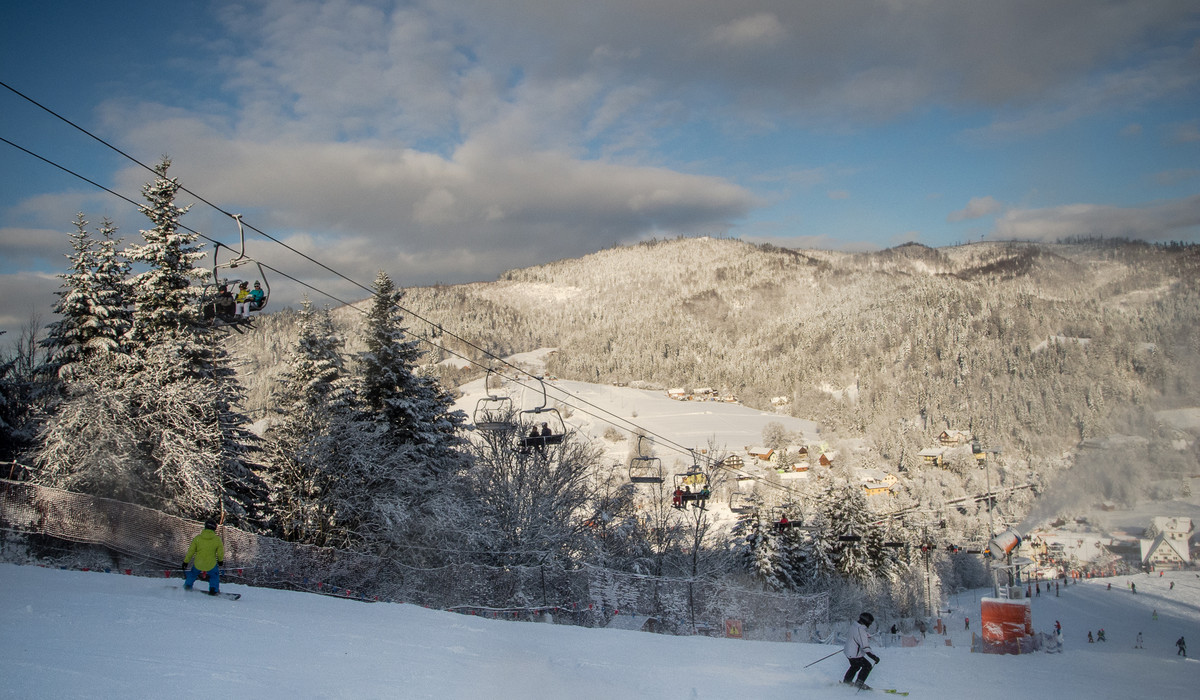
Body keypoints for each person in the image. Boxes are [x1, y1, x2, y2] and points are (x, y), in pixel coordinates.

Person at [183, 518, 225, 595]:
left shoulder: (197, 538)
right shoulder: (217, 539)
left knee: (192, 574)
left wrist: (186, 562)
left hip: (198, 563)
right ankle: (213, 589)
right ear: (214, 528)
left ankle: (187, 586)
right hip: (211, 564)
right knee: (214, 576)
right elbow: (220, 552)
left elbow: (190, 551)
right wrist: (220, 561)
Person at [843, 612, 879, 690]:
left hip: (848, 651)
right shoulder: (861, 630)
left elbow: (855, 637)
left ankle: (846, 681)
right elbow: (865, 647)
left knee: (855, 666)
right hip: (854, 654)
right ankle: (859, 684)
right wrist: (874, 657)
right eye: (870, 623)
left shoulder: (854, 626)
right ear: (866, 621)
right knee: (867, 666)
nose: (869, 625)